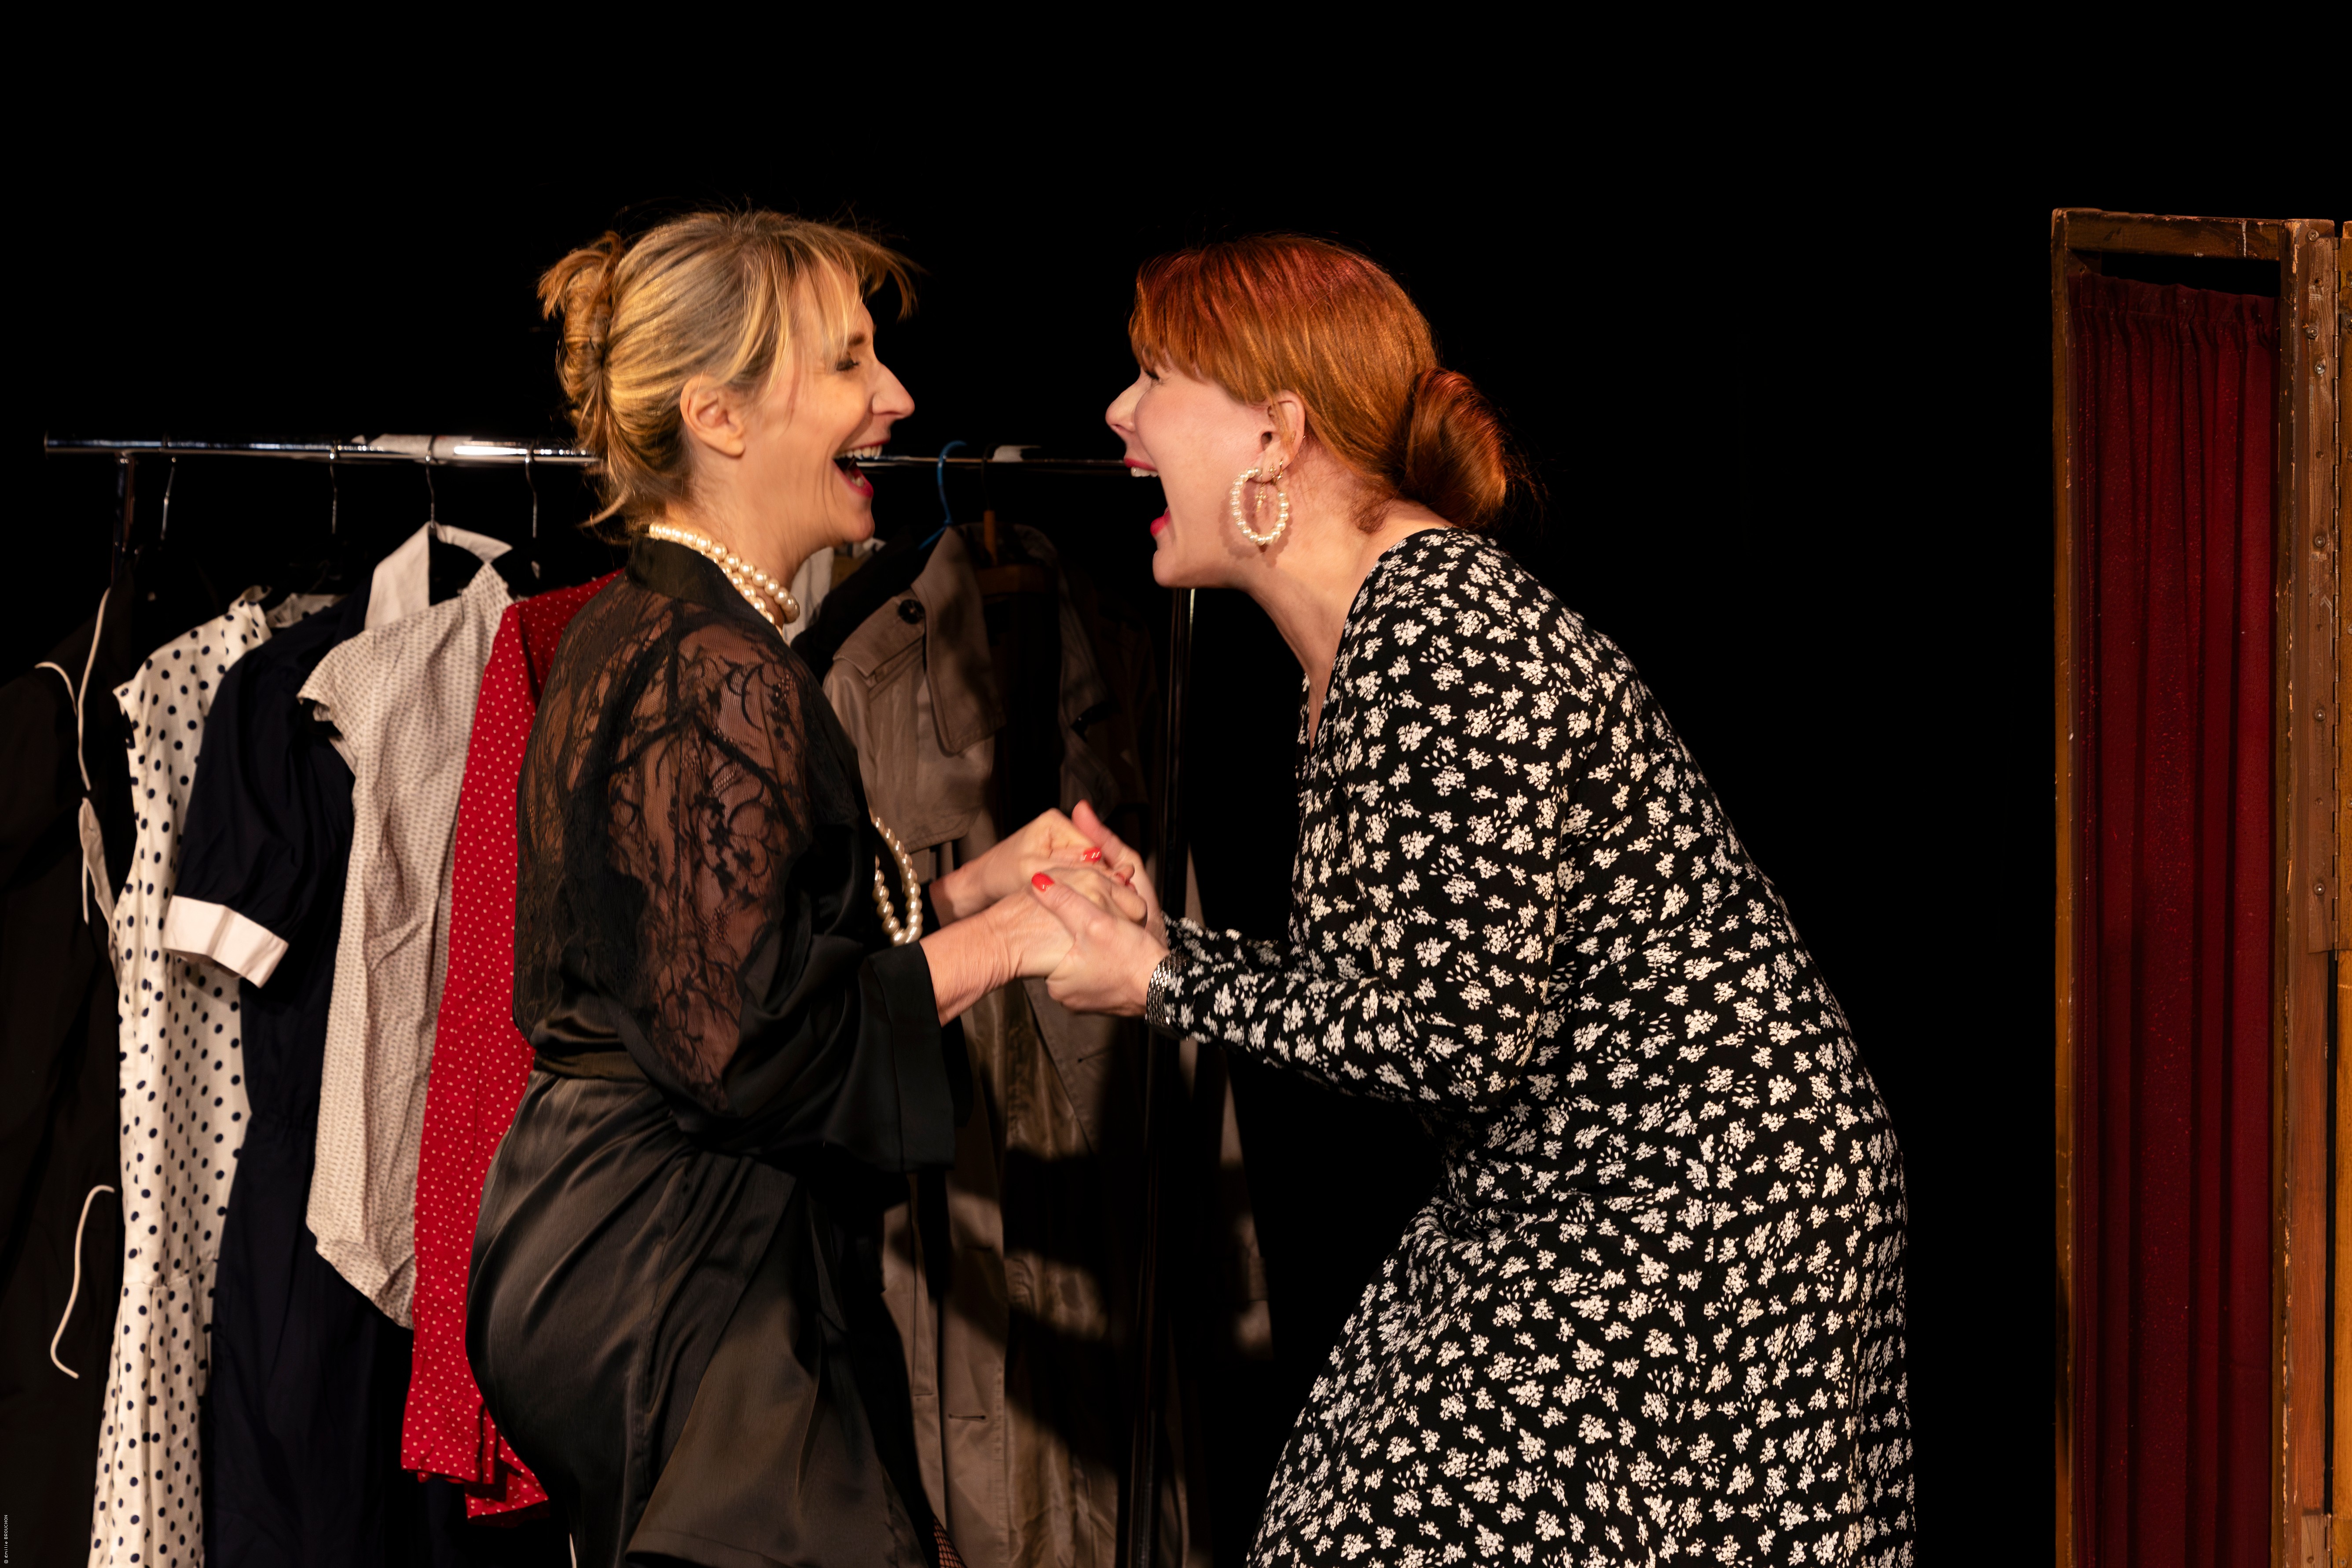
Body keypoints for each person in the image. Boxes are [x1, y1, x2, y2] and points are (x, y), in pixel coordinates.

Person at [1030, 237, 1916, 1566]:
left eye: (1154, 375)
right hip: (1569, 1185)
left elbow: (1452, 1036)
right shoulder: (1365, 634)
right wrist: (1167, 948)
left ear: (1276, 431)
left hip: (1703, 1201)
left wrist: (1163, 982)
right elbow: (1397, 992)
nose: (1119, 413)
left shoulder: (1436, 624)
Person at [466, 212, 1143, 1568]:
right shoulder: (711, 670)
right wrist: (1012, 939)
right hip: (683, 1264)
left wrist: (974, 889)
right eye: (846, 362)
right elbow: (754, 1042)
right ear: (717, 414)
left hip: (629, 1231)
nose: (895, 396)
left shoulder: (646, 629)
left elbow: (729, 958)